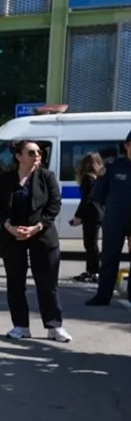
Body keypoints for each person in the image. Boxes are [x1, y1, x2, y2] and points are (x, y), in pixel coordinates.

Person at [0, 139, 68, 341]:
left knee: (47, 283)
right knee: (15, 283)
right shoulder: (5, 178)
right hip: (13, 237)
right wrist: (9, 227)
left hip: (41, 236)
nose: (37, 156)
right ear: (18, 156)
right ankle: (20, 326)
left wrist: (37, 227)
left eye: (39, 152)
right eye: (31, 152)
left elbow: (54, 204)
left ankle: (54, 327)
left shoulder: (46, 176)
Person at [87, 131, 131, 306]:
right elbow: (98, 194)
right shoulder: (113, 167)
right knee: (109, 257)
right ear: (127, 145)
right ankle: (103, 295)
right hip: (116, 218)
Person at [71, 151, 105, 283]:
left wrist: (78, 216)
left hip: (91, 214)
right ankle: (92, 271)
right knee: (92, 244)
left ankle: (93, 272)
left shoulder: (87, 178)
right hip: (99, 213)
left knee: (90, 244)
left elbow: (86, 199)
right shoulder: (99, 177)